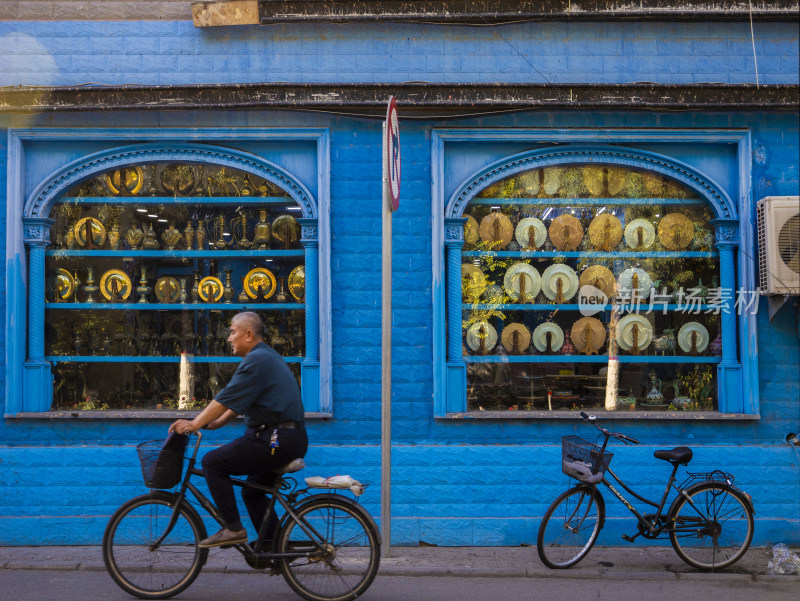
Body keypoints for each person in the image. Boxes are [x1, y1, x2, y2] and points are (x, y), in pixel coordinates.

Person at [169, 311, 307, 548]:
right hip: (286, 438)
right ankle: (273, 546)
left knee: (213, 463)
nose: (228, 338)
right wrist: (217, 422)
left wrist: (194, 424)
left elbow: (226, 397)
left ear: (249, 335)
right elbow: (240, 400)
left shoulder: (257, 360)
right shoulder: (264, 358)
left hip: (274, 439)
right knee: (252, 492)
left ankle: (233, 529)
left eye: (233, 332)